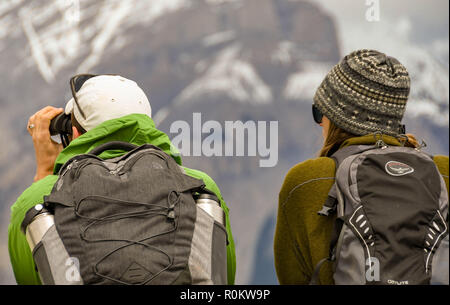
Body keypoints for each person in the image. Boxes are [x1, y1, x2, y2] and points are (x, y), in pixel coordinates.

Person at [8, 74, 236, 285]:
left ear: (76, 135)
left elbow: (34, 277)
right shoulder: (199, 187)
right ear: (146, 125)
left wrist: (45, 176)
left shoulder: (38, 201)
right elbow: (223, 274)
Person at [274, 49, 449, 284]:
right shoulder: (443, 174)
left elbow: (292, 277)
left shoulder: (305, 181)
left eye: (319, 113)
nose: (319, 124)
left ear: (337, 118)